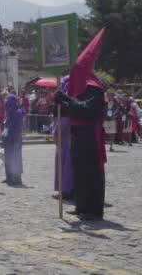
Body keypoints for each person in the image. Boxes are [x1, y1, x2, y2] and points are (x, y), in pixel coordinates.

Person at [54, 29, 107, 221]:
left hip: (90, 136)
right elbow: (73, 110)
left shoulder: (94, 88)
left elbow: (87, 110)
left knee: (90, 172)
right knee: (78, 171)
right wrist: (59, 103)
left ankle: (92, 209)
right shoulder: (81, 87)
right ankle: (81, 205)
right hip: (78, 134)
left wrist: (67, 99)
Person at [52, 76, 73, 200]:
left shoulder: (64, 98)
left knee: (65, 163)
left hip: (65, 135)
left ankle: (65, 189)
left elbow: (61, 120)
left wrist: (55, 132)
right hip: (71, 134)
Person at [2, 94, 24, 186]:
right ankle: (9, 177)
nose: (6, 103)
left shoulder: (18, 112)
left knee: (15, 158)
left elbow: (18, 128)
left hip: (15, 139)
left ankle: (16, 178)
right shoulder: (8, 112)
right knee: (8, 158)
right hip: (8, 139)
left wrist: (16, 140)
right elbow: (6, 125)